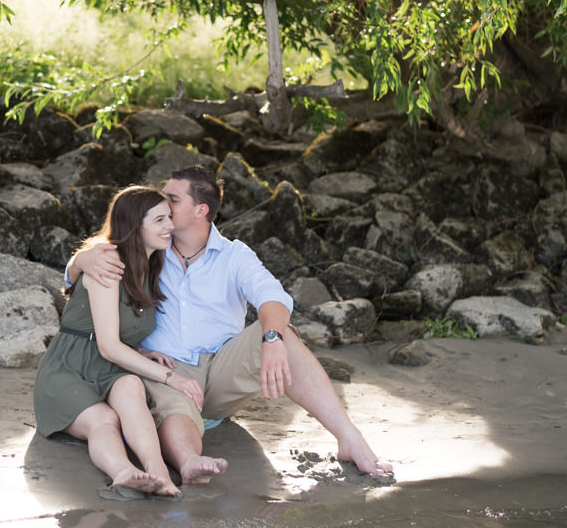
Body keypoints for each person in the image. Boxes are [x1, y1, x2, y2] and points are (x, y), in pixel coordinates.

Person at [68, 165, 392, 487]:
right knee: (173, 408)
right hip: (167, 369)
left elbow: (273, 297)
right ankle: (189, 462)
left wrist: (273, 338)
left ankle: (350, 439)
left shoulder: (234, 255)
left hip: (224, 368)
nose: (162, 206)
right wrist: (79, 261)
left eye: (172, 200)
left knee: (282, 336)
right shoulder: (148, 246)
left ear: (201, 210)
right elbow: (87, 267)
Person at [34, 185, 204, 497]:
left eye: (169, 218)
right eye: (159, 220)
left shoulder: (148, 269)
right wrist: (173, 379)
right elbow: (108, 345)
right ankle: (123, 472)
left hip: (107, 369)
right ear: (133, 226)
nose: (170, 226)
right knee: (105, 418)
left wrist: (144, 351)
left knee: (132, 386)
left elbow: (113, 331)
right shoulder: (106, 263)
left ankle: (159, 471)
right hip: (68, 369)